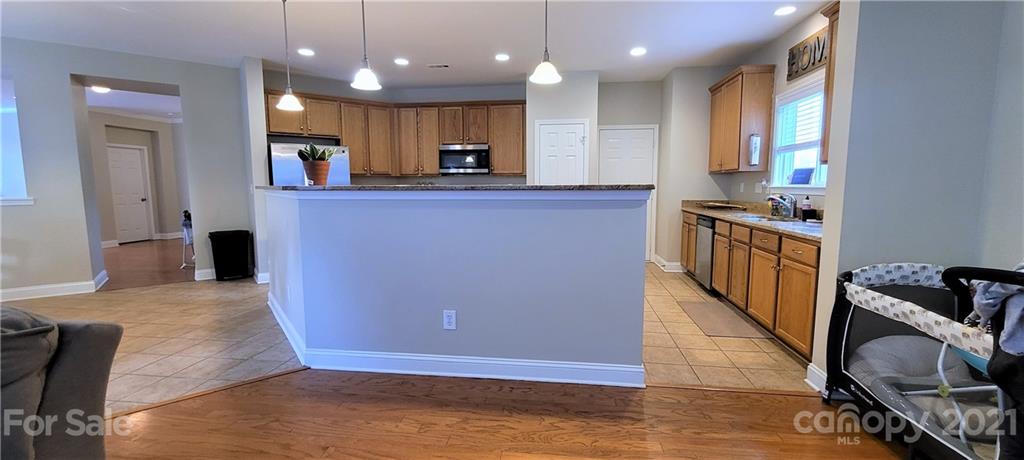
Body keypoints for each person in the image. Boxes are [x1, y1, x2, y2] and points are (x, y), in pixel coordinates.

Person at [973, 262, 1024, 457]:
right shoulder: (1013, 280)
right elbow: (985, 298)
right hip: (1013, 359)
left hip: (1010, 358)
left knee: (1016, 420)